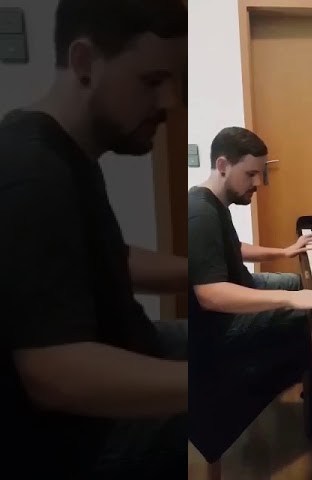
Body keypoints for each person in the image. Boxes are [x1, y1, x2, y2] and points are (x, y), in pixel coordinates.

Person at [0, 0, 188, 478]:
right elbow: (53, 372)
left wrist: (202, 272)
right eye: (152, 81)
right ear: (84, 62)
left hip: (132, 344)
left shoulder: (67, 149)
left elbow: (109, 259)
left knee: (250, 343)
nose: (170, 102)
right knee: (247, 367)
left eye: (176, 81)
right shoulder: (32, 172)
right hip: (87, 440)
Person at [188, 126, 312, 467]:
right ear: (223, 165)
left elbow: (233, 247)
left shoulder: (212, 201)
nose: (258, 183)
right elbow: (211, 295)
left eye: (261, 173)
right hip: (220, 327)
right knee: (311, 319)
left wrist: (283, 251)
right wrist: (291, 300)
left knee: (295, 282)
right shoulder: (199, 213)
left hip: (238, 292)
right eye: (251, 174)